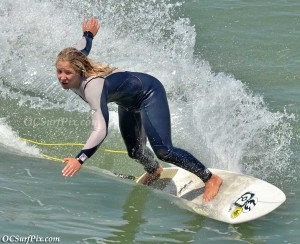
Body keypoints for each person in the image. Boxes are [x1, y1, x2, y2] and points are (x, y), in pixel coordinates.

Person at [57, 18, 222, 201]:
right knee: (135, 151)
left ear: (79, 71)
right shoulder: (74, 63)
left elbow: (100, 129)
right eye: (59, 72)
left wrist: (79, 159)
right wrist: (88, 34)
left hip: (148, 93)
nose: (63, 77)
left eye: (68, 73)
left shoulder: (92, 86)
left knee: (164, 151)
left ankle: (210, 178)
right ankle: (154, 170)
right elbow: (82, 49)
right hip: (127, 103)